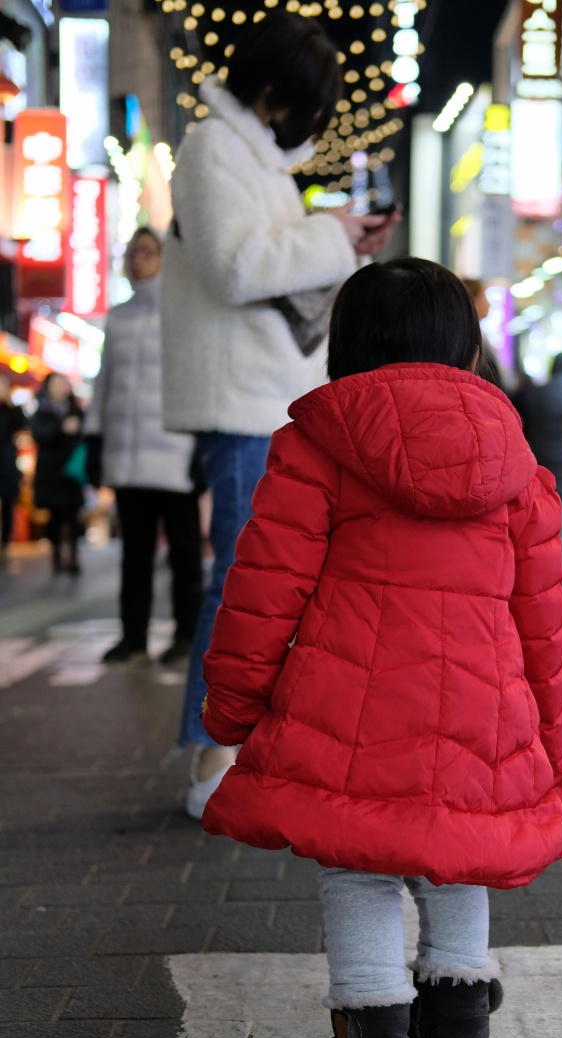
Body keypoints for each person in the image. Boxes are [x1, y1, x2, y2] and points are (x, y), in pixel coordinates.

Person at [199, 258, 562, 1038]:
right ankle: (458, 1014)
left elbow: (263, 589)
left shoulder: (319, 441)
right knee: (461, 843)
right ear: (466, 348)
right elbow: (542, 622)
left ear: (349, 344)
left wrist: (231, 708)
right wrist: (551, 747)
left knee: (357, 856)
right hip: (487, 704)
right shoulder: (513, 459)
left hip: (349, 704)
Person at [162, 9, 398, 819]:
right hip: (240, 396)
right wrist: (331, 235)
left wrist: (334, 237)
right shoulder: (215, 150)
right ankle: (208, 758)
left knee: (250, 578)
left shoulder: (244, 152)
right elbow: (236, 267)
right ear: (272, 91)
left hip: (263, 393)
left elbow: (258, 258)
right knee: (241, 580)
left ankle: (221, 749)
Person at [84, 227, 203, 665]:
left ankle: (186, 635)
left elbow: (196, 381)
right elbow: (104, 386)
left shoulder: (183, 314)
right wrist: (95, 440)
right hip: (129, 459)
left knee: (184, 555)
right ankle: (132, 637)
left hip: (175, 456)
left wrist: (198, 449)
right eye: (135, 252)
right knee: (134, 553)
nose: (140, 260)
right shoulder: (117, 317)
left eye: (149, 252)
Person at [516, 352, 562, 507]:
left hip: (541, 453)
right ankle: (561, 529)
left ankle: (544, 529)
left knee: (542, 495)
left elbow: (527, 418)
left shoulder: (539, 393)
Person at [30, 373, 84, 575]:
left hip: (72, 472)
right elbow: (39, 434)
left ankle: (74, 555)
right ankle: (56, 556)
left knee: (73, 515)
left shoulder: (75, 409)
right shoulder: (43, 410)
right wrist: (62, 428)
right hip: (51, 473)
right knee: (55, 516)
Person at [0, 378, 25, 563]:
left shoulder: (12, 411)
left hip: (7, 462)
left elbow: (23, 428)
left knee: (7, 503)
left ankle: (4, 544)